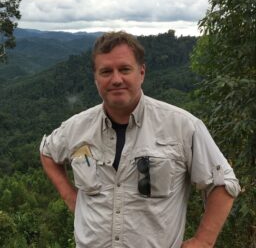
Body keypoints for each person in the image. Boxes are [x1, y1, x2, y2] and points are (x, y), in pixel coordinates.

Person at [40, 31, 240, 248]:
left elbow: (224, 183)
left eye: (125, 69)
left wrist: (203, 241)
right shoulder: (76, 128)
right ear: (95, 78)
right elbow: (48, 152)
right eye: (106, 71)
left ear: (141, 72)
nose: (116, 79)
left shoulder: (182, 126)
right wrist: (70, 197)